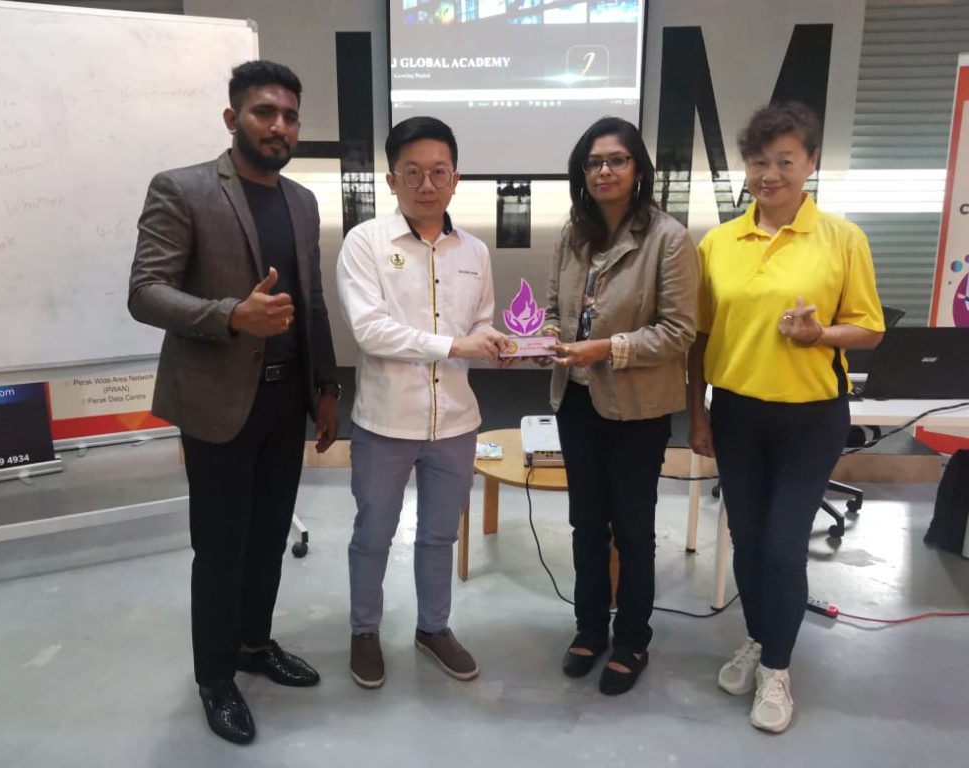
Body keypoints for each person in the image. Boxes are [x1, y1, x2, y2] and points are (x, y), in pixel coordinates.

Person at [128, 60, 340, 745]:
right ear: (233, 118)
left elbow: (310, 301)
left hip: (285, 402)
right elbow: (145, 292)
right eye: (264, 112)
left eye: (290, 116)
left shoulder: (301, 202)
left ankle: (253, 644)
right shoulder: (183, 189)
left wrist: (327, 386)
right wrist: (230, 315)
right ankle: (215, 678)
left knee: (270, 537)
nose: (280, 126)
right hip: (218, 402)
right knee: (221, 549)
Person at [688, 102, 884, 733]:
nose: (769, 174)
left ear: (811, 163)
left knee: (781, 545)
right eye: (757, 161)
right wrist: (697, 413)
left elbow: (870, 330)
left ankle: (776, 668)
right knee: (747, 541)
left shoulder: (842, 239)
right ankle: (759, 636)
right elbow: (700, 338)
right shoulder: (718, 243)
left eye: (784, 161)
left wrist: (820, 334)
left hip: (811, 417)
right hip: (737, 414)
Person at [336, 116, 510, 689]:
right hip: (385, 420)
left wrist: (492, 340)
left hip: (455, 422)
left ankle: (433, 628)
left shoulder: (475, 250)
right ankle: (365, 631)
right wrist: (455, 345)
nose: (427, 184)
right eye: (412, 173)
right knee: (374, 534)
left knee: (440, 534)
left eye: (439, 172)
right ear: (392, 180)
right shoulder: (365, 243)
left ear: (456, 179)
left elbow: (479, 320)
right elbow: (370, 330)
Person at [541, 116, 699, 695]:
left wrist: (607, 348)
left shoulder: (669, 239)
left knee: (632, 529)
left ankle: (632, 639)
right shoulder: (573, 234)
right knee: (586, 523)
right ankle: (590, 628)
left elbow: (679, 331)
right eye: (593, 162)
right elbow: (555, 306)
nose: (603, 171)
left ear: (638, 169)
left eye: (616, 160)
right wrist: (548, 338)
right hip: (576, 400)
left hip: (637, 408)